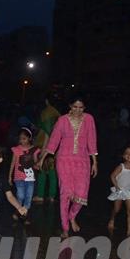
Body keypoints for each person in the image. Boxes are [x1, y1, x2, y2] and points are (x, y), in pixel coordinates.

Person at [36, 95, 98, 238]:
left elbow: (92, 140)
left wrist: (95, 162)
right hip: (64, 160)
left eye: (81, 107)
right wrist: (42, 159)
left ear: (85, 107)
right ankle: (65, 227)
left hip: (83, 161)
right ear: (70, 106)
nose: (77, 110)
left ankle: (72, 216)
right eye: (74, 107)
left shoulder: (89, 119)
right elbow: (53, 141)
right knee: (66, 194)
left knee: (81, 194)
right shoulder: (62, 120)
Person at [107, 146, 130, 236]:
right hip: (119, 190)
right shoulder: (121, 166)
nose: (129, 155)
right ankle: (112, 219)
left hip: (129, 191)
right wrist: (116, 186)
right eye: (127, 153)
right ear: (124, 156)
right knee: (117, 209)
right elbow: (112, 176)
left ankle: (129, 232)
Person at [8, 127, 39, 222]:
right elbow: (13, 162)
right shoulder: (16, 149)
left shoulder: (34, 150)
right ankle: (19, 210)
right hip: (18, 177)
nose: (22, 141)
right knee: (20, 195)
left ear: (29, 138)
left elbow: (35, 162)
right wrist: (10, 176)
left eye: (24, 138)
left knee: (28, 196)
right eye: (20, 139)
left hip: (30, 178)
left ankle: (25, 214)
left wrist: (37, 165)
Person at [33, 96, 60, 203]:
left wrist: (43, 151)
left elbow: (47, 134)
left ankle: (40, 195)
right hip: (56, 149)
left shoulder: (46, 113)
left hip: (46, 147)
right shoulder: (58, 114)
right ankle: (52, 196)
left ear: (46, 100)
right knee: (53, 173)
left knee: (42, 172)